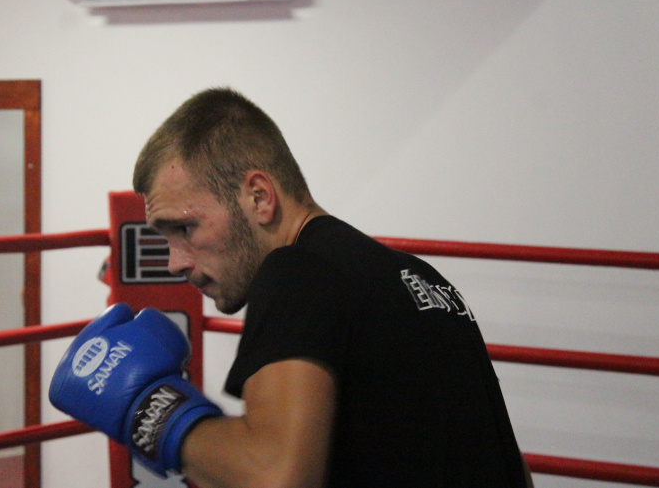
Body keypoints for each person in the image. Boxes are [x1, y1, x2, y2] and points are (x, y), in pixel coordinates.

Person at [51, 87, 533, 487]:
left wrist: (151, 411)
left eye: (185, 228)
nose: (175, 261)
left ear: (259, 197)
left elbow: (276, 478)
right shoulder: (421, 280)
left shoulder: (296, 275)